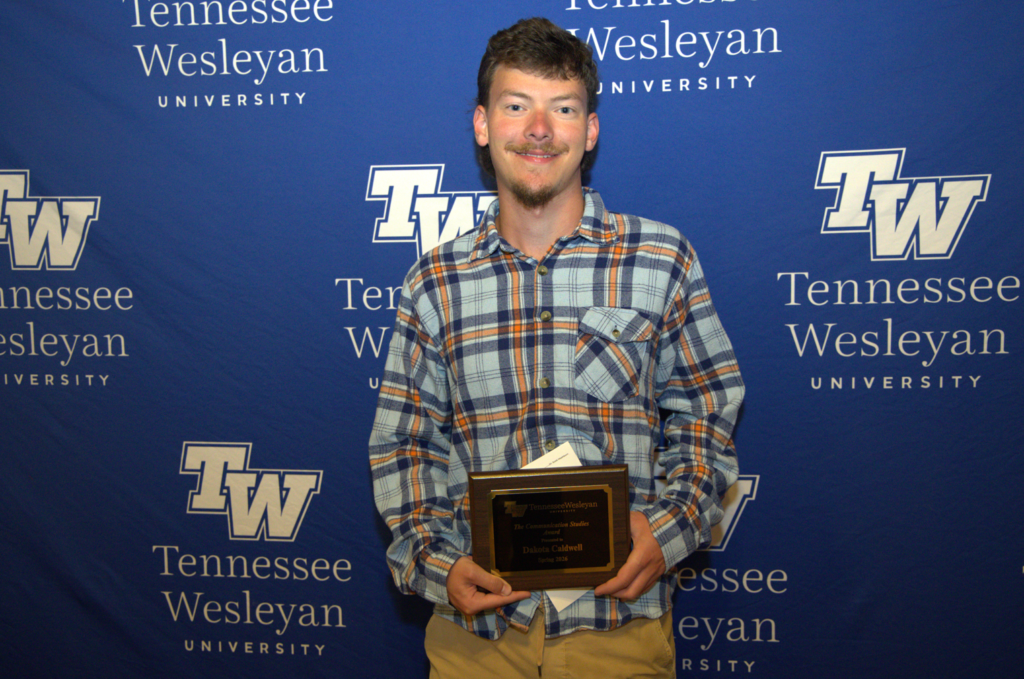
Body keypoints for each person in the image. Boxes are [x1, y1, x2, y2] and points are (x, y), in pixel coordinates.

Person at [369, 17, 744, 678]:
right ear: (483, 124)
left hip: (619, 632)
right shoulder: (434, 282)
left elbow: (706, 418)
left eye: (562, 108)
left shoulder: (661, 260)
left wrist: (670, 526)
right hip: (475, 640)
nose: (539, 129)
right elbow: (406, 445)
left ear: (589, 131)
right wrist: (440, 563)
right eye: (517, 106)